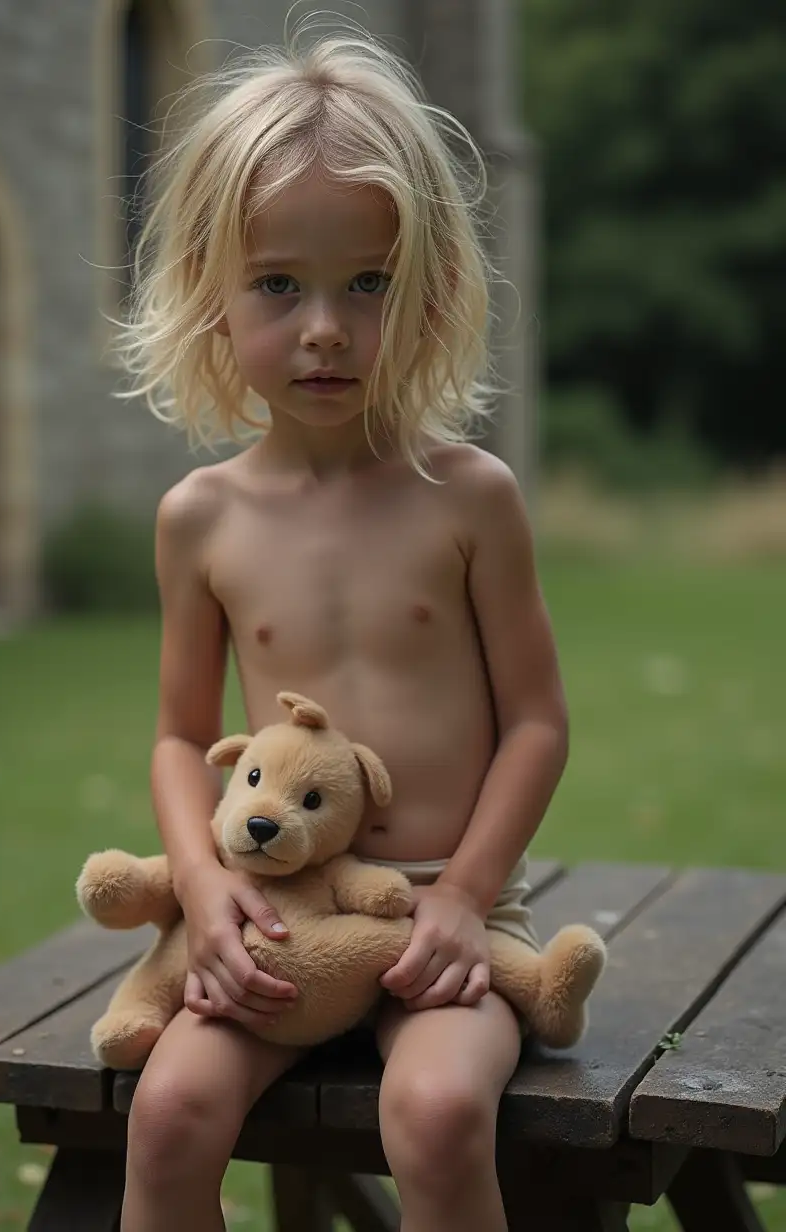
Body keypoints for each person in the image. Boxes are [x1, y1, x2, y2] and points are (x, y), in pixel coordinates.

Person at [116, 21, 568, 1232]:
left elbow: (534, 722)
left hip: (447, 917)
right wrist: (204, 890)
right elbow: (177, 738)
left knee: (430, 1114)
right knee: (164, 1121)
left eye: (367, 283)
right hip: (277, 916)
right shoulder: (199, 519)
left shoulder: (469, 496)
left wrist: (467, 896)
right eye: (278, 283)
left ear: (430, 294)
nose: (324, 326)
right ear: (211, 294)